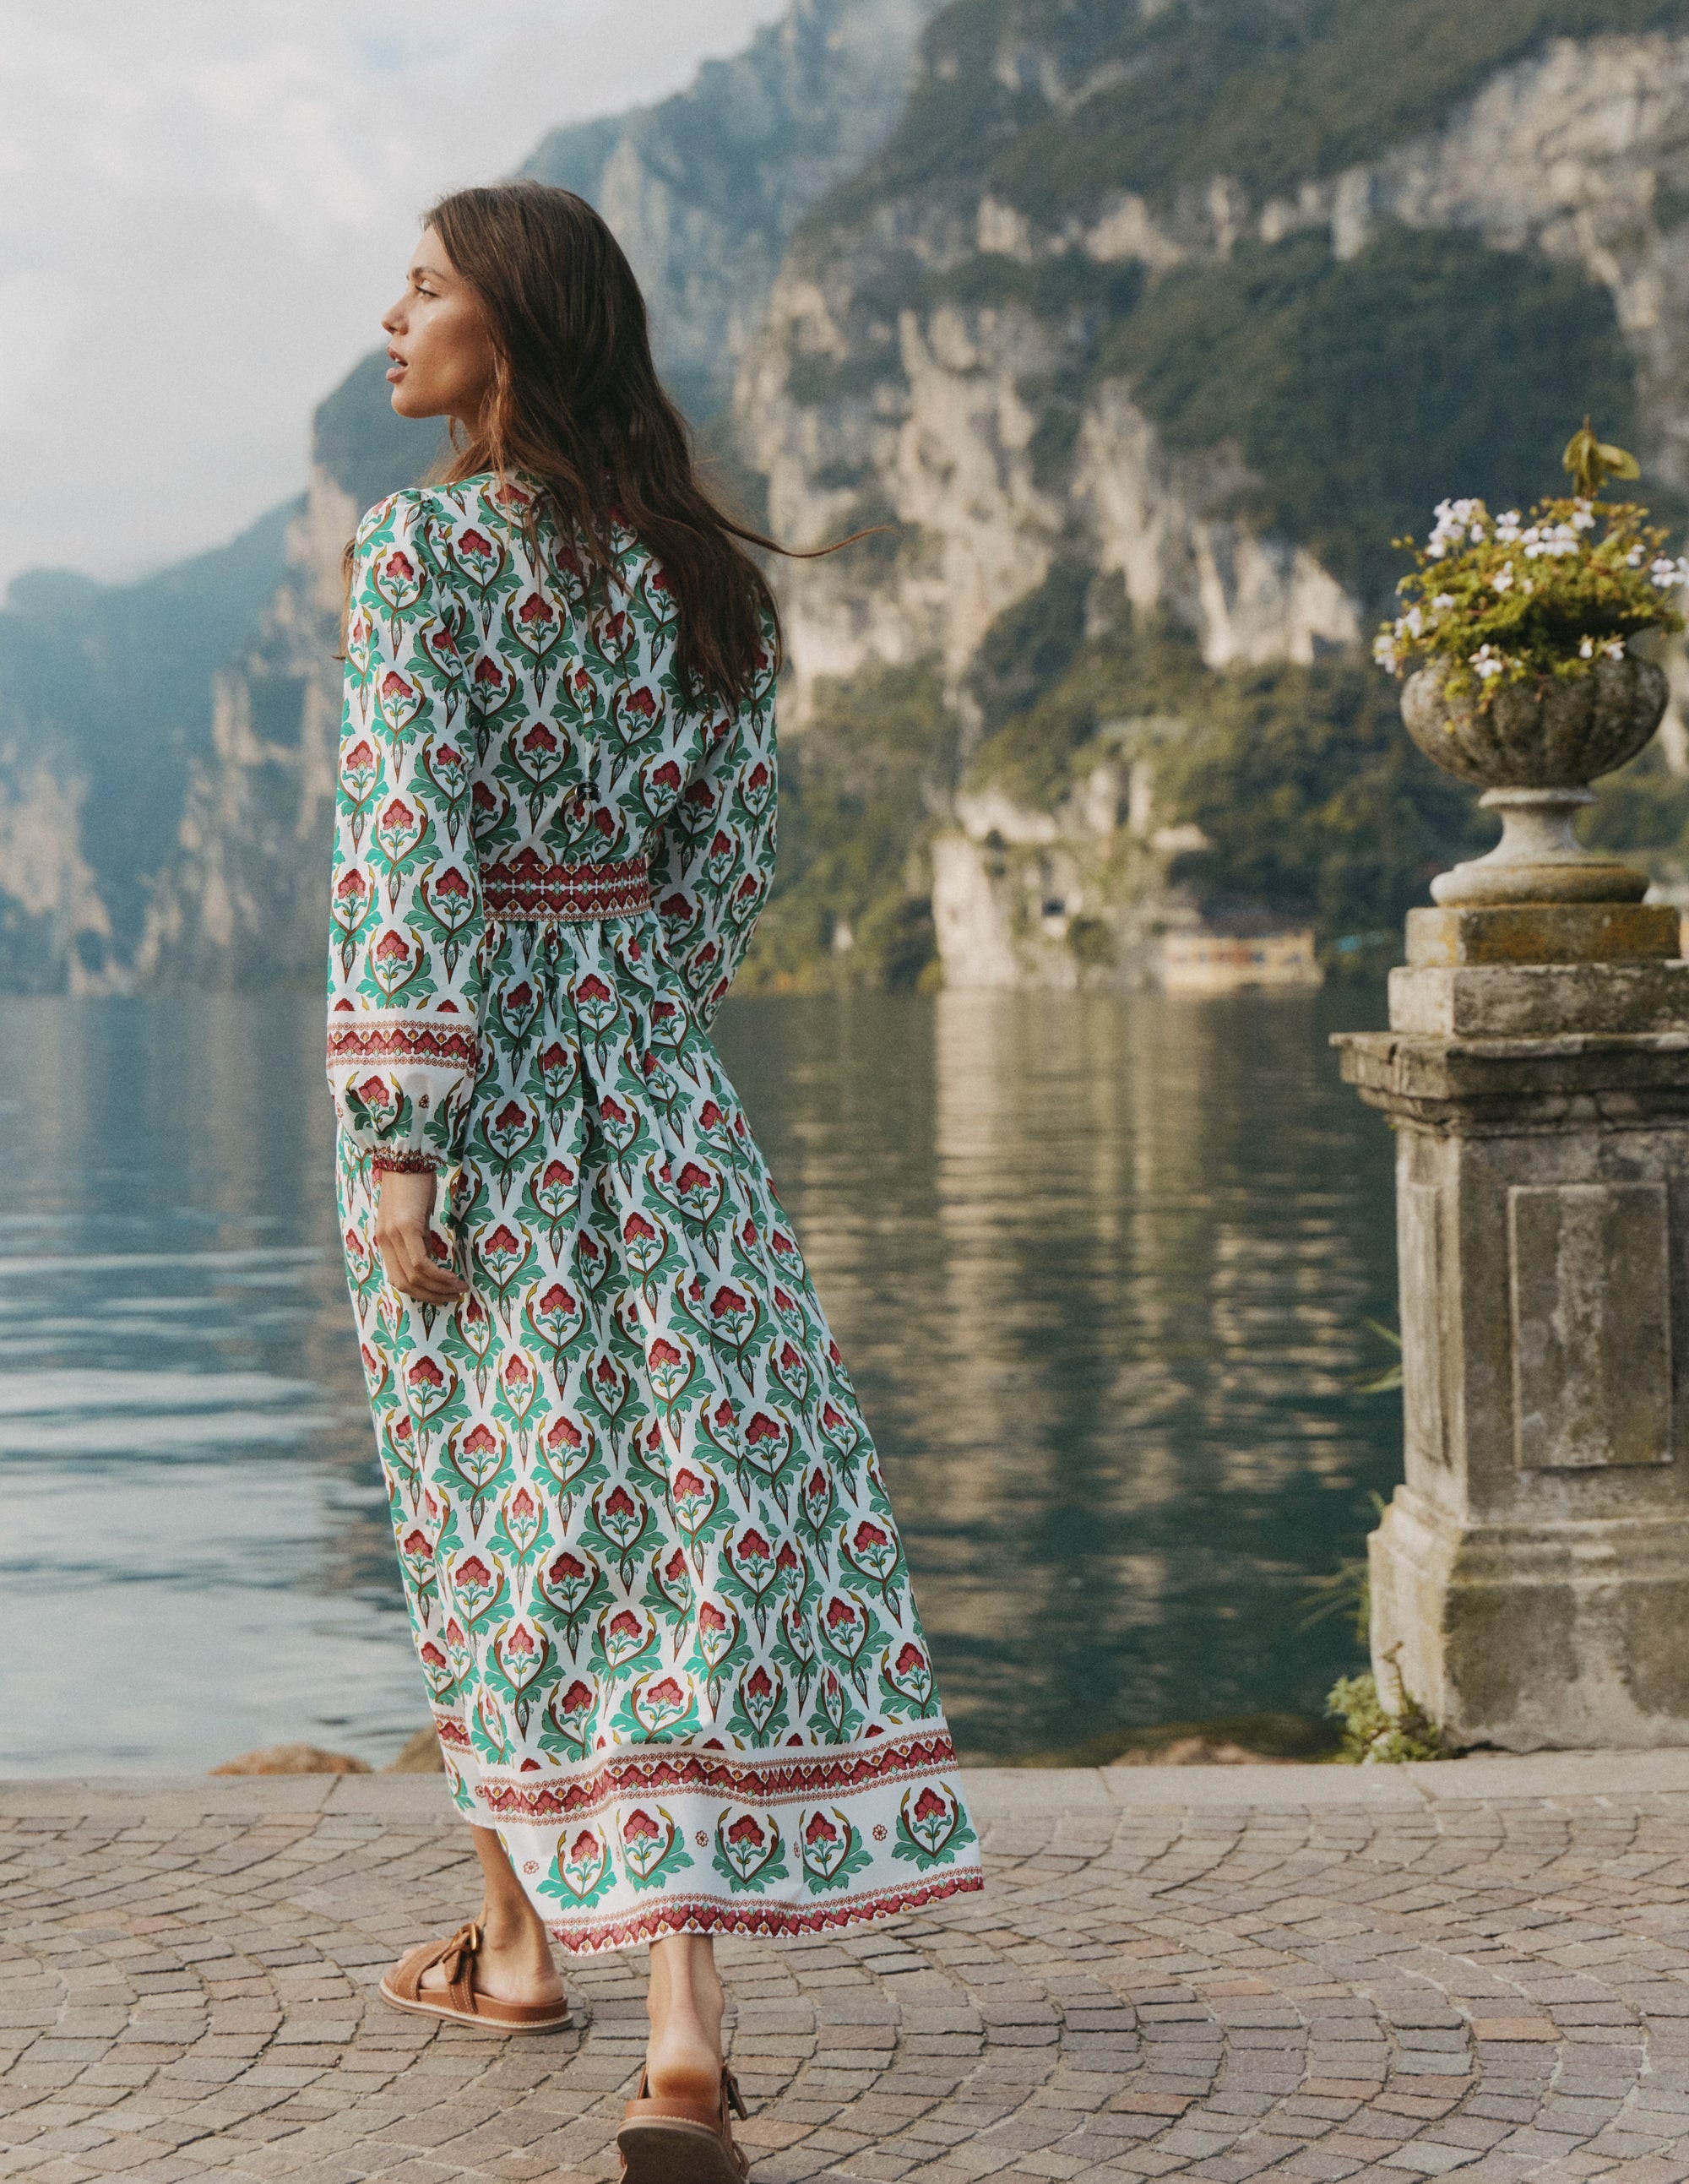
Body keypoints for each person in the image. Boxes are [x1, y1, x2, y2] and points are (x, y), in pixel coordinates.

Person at [327, 181, 982, 2181]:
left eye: (425, 287)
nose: (391, 317)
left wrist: (405, 1141)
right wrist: (629, 1008)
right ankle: (657, 2029)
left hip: (488, 1104)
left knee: (497, 1518)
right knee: (676, 1522)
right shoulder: (700, 570)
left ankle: (548, 1965)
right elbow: (725, 868)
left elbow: (407, 852)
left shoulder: (423, 553)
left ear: (508, 326)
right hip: (660, 1091)